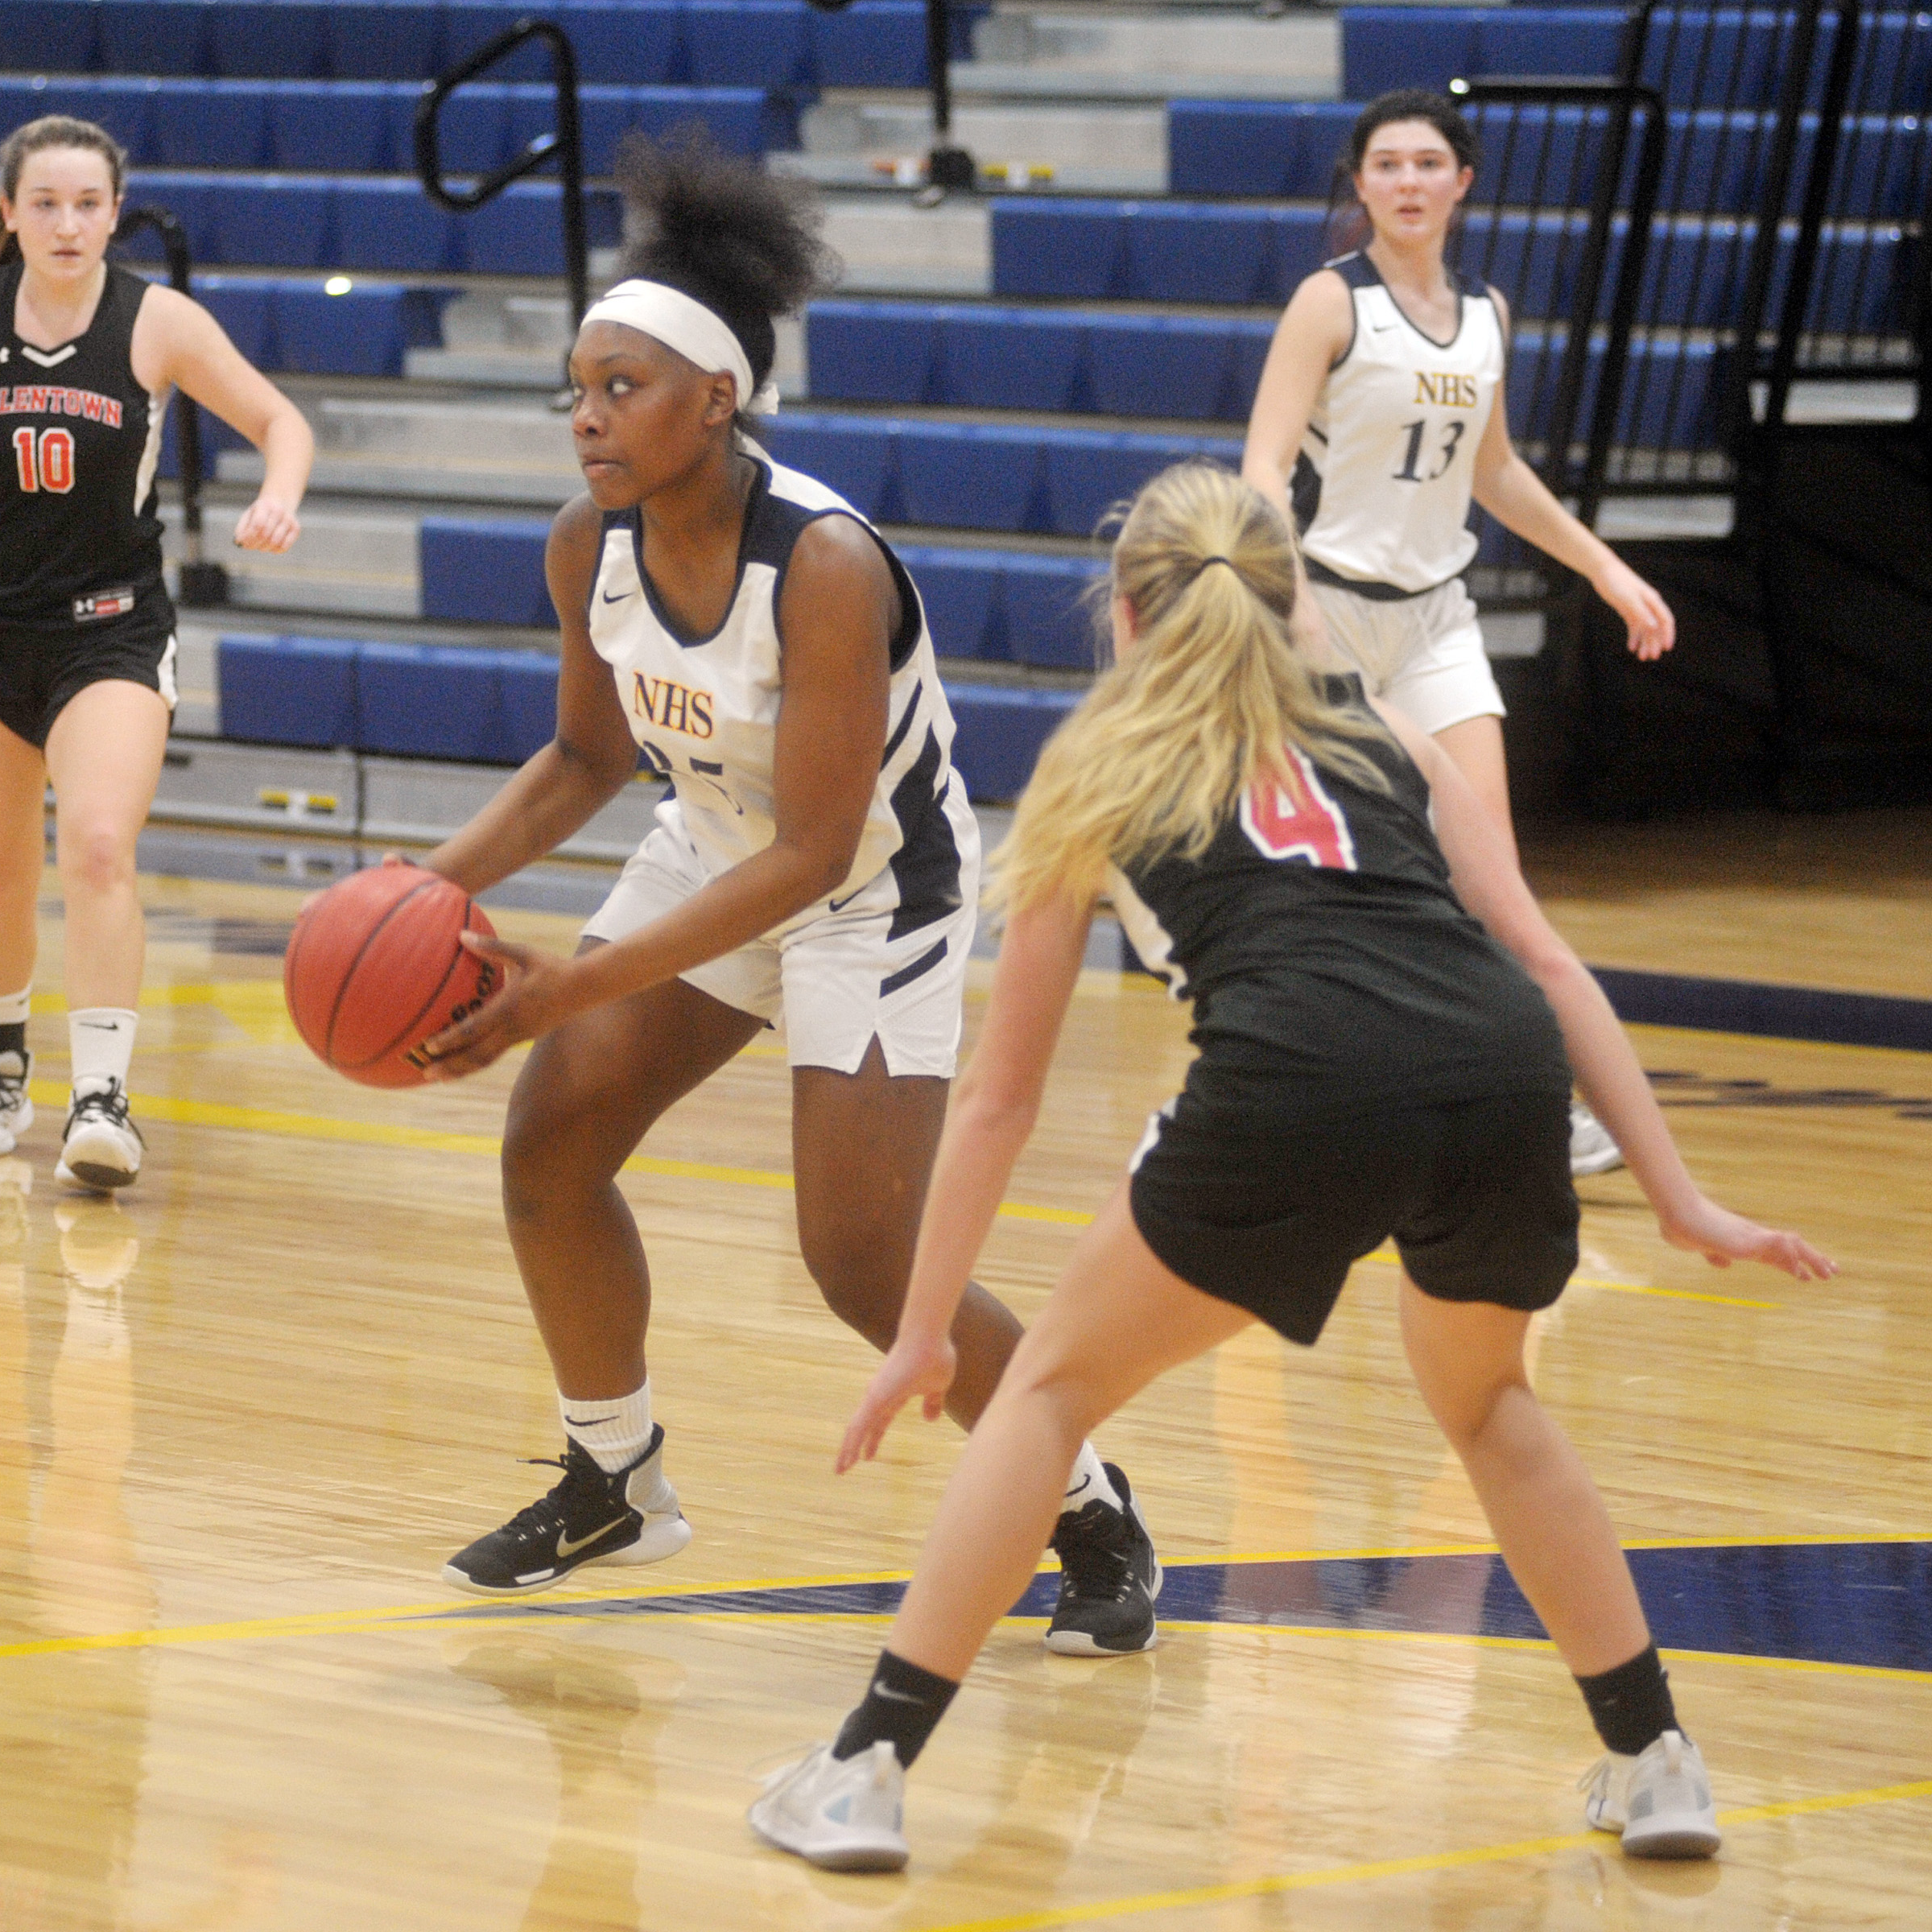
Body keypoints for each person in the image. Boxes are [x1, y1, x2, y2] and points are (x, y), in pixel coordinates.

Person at [746, 461, 1832, 1872]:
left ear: (1124, 617)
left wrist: (919, 1334)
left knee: (1054, 1387)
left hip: (1301, 1080)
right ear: (1290, 600)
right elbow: (1545, 958)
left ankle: (864, 1772)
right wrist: (1678, 1196)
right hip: (1500, 1071)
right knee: (1493, 1403)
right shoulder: (1380, 724)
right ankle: (1657, 1759)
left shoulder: (1097, 759)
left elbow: (1004, 1098)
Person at [407, 137, 1161, 1653]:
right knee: (550, 1145)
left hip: (872, 886)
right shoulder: (587, 545)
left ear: (717, 400)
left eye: (622, 389)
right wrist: (417, 886)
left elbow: (813, 855)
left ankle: (1088, 1501)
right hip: (710, 843)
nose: (587, 417)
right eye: (577, 386)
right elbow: (581, 752)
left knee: (865, 1262)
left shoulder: (819, 564)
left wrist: (565, 985)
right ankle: (613, 1475)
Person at [0, 116, 312, 1190]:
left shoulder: (159, 322)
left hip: (109, 627)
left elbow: (280, 420)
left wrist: (278, 497)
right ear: (9, 212)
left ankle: (101, 1097)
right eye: (45, 204)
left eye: (88, 204)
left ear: (116, 211)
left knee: (100, 845)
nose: (67, 224)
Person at [1241, 88, 1677, 1179]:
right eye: (1384, 165)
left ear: (1462, 182)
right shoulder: (1327, 303)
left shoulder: (1486, 310)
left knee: (1494, 881)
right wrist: (1287, 605)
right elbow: (1261, 465)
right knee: (1347, 883)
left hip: (1438, 621)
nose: (1405, 182)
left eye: (1426, 163)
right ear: (1361, 185)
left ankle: (1532, 1110)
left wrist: (1607, 566)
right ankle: (1295, 1094)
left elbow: (1496, 471)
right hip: (1329, 612)